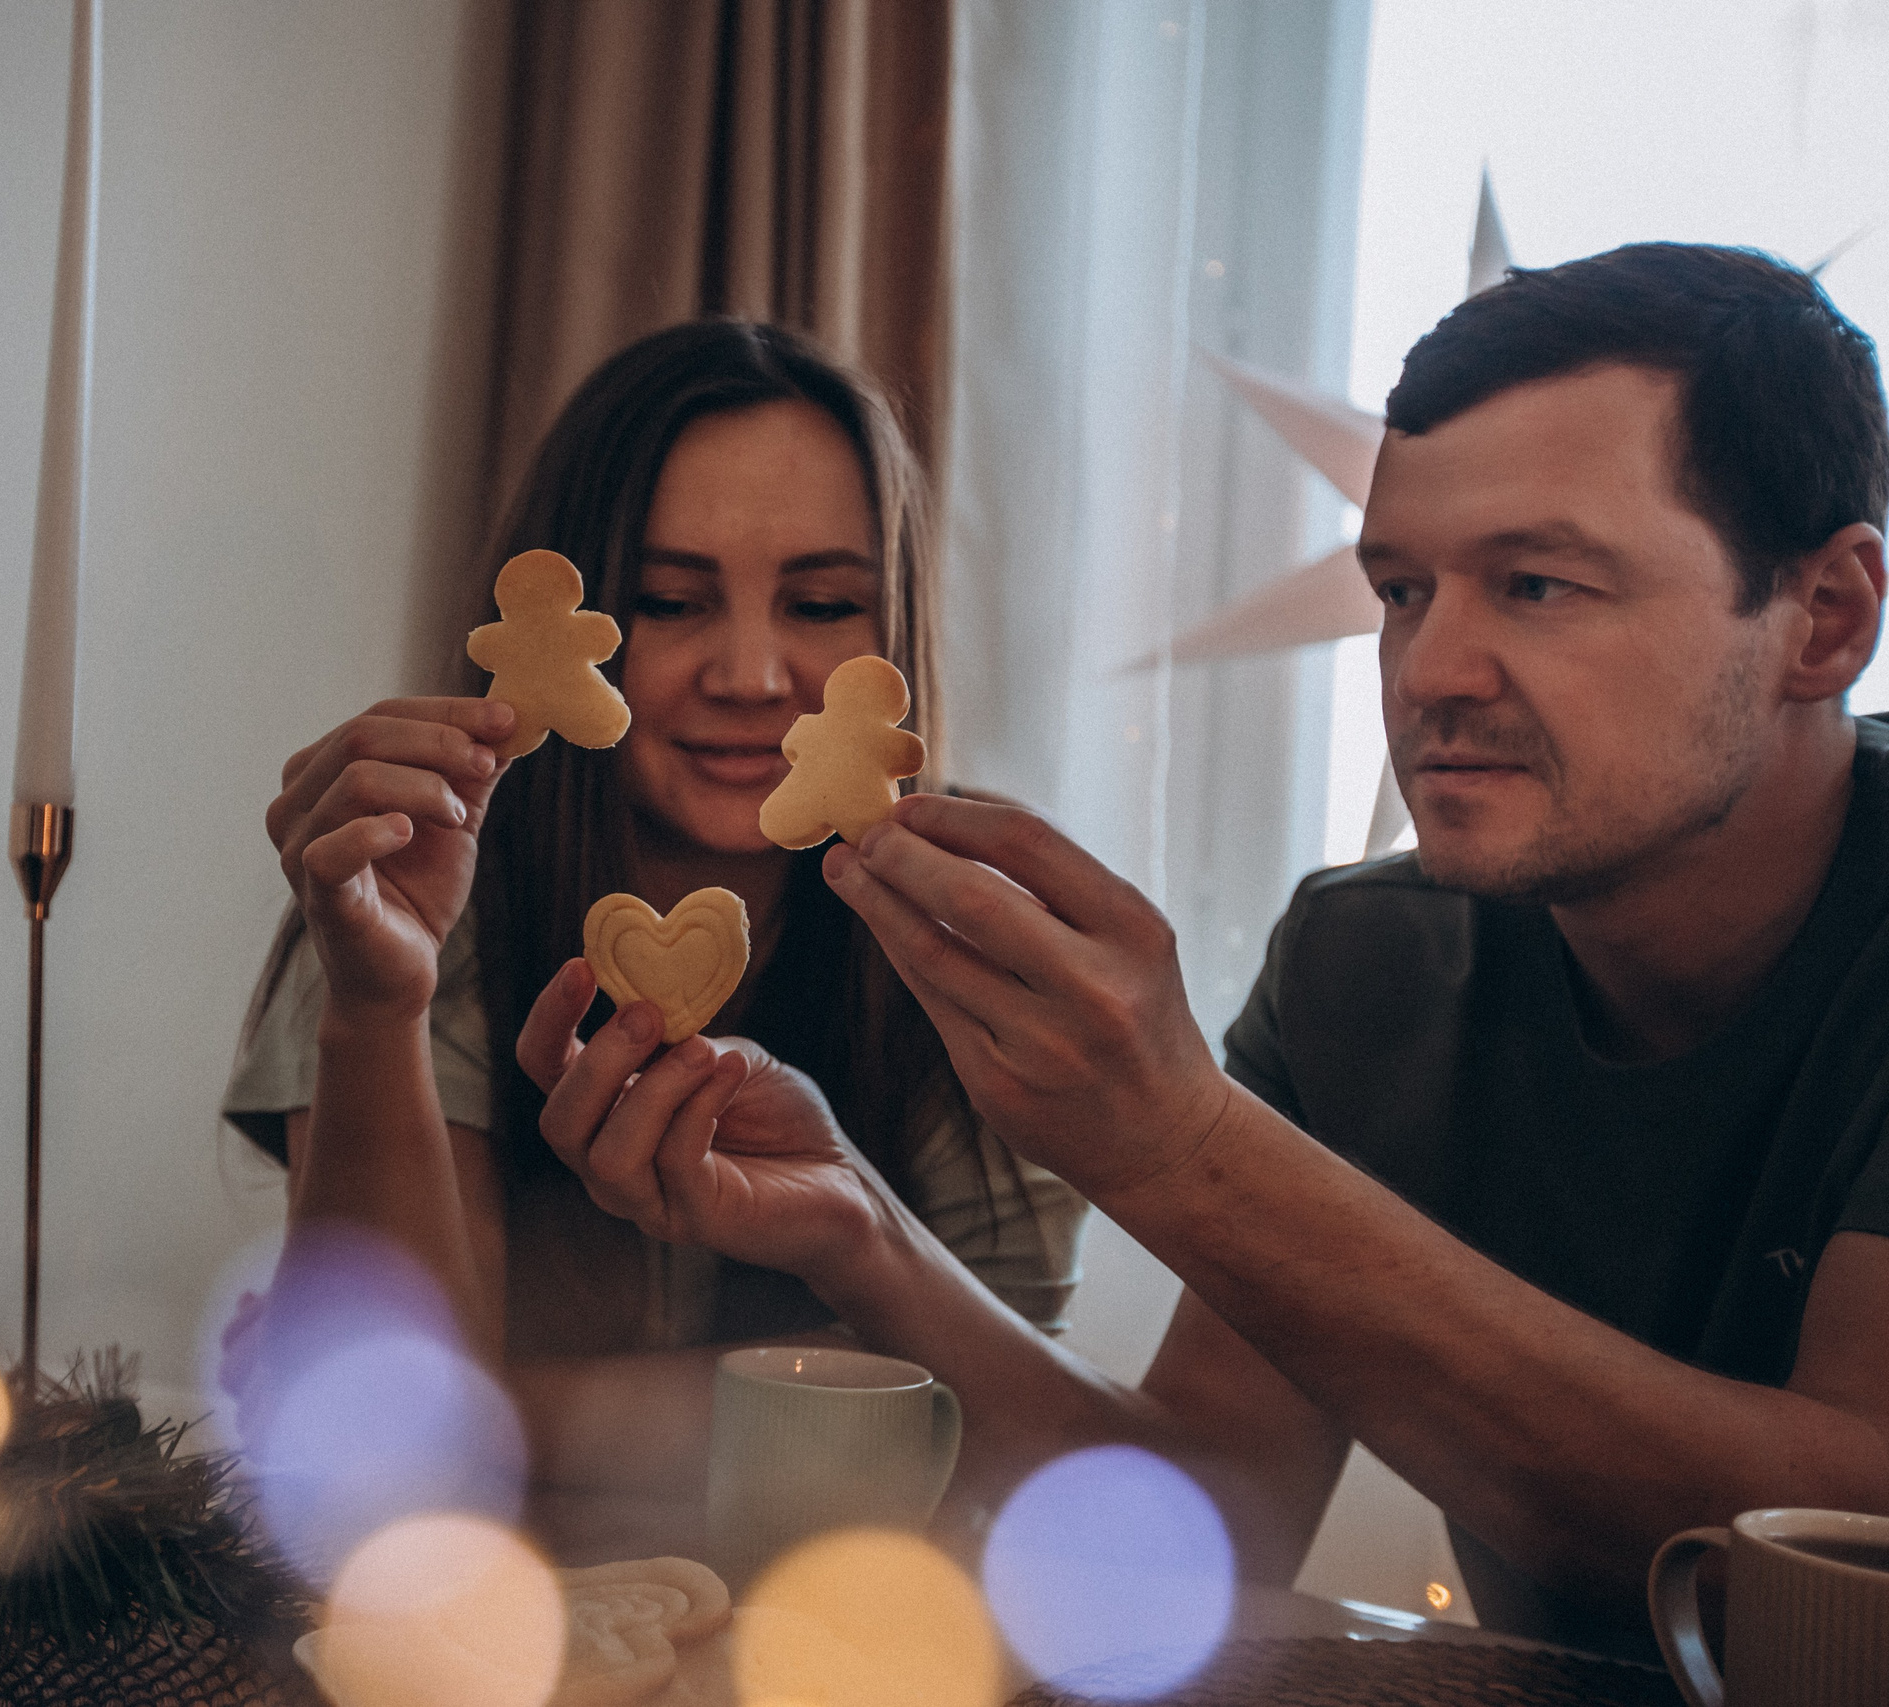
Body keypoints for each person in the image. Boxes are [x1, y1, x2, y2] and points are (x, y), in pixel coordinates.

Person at [521, 244, 1889, 1657]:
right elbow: (1207, 1525)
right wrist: (863, 1229)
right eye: (1406, 589)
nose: (1427, 673)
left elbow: (1843, 1540)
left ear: (1826, 618)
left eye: (1538, 584)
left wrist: (1179, 1142)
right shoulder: (1364, 964)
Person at [224, 319, 1083, 1557]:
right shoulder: (413, 891)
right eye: (670, 601)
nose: (749, 671)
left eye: (824, 602)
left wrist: (499, 1406)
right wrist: (374, 1010)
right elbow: (384, 1474)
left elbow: (998, 1437)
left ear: (893, 630)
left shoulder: (981, 919)